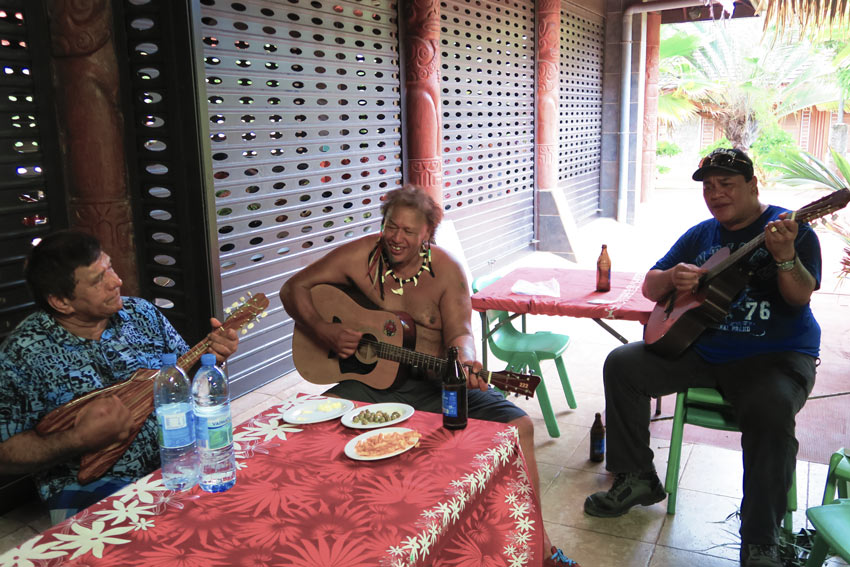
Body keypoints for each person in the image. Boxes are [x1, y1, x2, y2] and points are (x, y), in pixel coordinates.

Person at [280, 184, 579, 566]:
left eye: (408, 231)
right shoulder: (361, 256)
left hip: (438, 384)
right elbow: (294, 288)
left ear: (427, 235)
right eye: (391, 226)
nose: (396, 238)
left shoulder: (446, 270)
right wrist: (325, 330)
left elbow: (461, 332)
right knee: (315, 430)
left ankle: (541, 547)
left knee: (519, 426)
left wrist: (465, 359)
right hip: (374, 385)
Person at [583, 148, 820, 567]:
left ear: (752, 185)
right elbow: (652, 287)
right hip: (702, 348)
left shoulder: (792, 230)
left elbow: (799, 295)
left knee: (772, 408)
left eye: (726, 184)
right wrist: (673, 277)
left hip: (774, 355)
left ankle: (760, 537)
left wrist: (785, 257)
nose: (716, 193)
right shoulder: (702, 234)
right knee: (623, 364)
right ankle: (637, 476)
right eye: (708, 186)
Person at [0, 230, 239, 524]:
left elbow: (182, 378)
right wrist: (76, 439)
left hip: (180, 462)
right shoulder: (23, 353)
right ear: (62, 302)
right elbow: (4, 452)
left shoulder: (142, 314)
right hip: (90, 488)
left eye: (110, 267)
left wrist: (211, 363)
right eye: (98, 280)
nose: (117, 281)